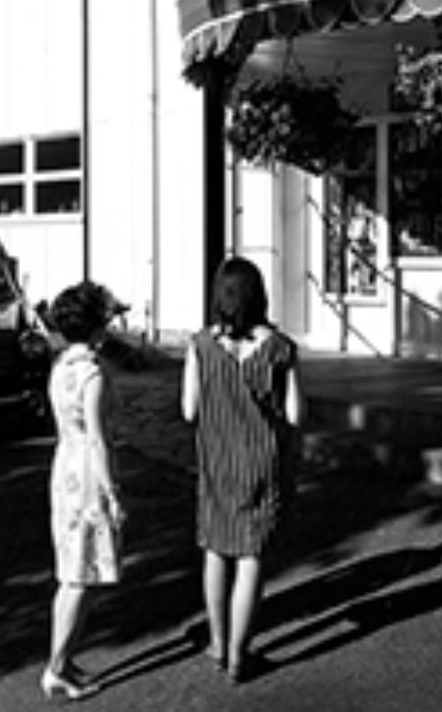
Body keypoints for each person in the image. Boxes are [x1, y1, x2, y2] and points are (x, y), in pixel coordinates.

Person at [182, 255, 304, 685]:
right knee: (252, 557)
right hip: (262, 460)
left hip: (216, 460)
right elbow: (295, 413)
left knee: (215, 549)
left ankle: (216, 643)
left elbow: (188, 409)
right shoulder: (281, 347)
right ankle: (239, 654)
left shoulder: (199, 345)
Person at [43, 281, 126, 702]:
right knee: (80, 577)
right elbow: (98, 439)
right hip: (87, 474)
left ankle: (64, 658)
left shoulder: (61, 368)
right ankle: (56, 666)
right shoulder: (91, 373)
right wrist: (112, 492)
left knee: (73, 572)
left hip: (65, 467)